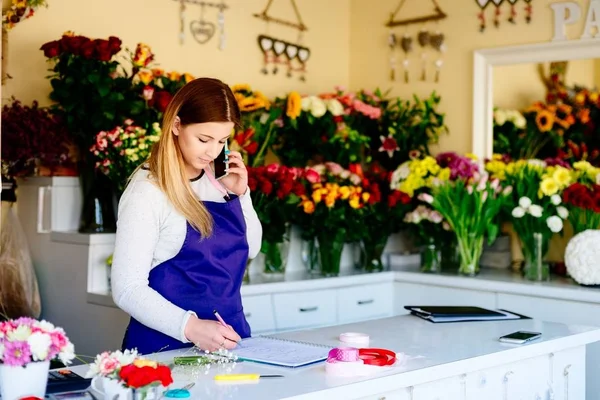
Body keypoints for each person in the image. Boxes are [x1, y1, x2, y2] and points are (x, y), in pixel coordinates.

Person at [111, 77, 262, 355]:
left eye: (222, 141)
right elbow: (126, 288)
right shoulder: (148, 191)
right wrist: (192, 327)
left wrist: (243, 195)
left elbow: (251, 249)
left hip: (229, 342)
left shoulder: (222, 182)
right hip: (163, 350)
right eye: (203, 139)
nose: (213, 151)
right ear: (177, 125)